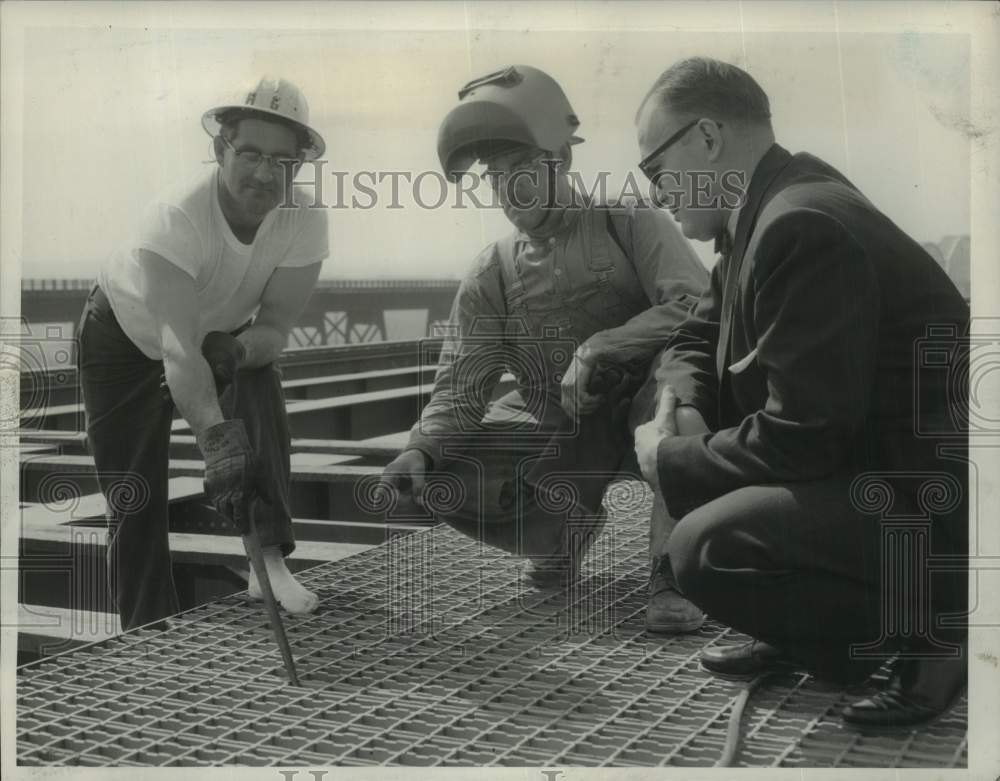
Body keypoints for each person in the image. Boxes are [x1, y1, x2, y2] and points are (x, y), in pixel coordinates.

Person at [632, 57, 968, 725]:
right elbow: (695, 340)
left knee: (706, 547)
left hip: (934, 510)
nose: (656, 194)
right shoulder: (764, 212)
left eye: (655, 169)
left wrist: (667, 458)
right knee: (678, 447)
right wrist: (683, 407)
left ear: (707, 138)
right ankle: (827, 636)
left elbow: (803, 439)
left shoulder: (800, 223)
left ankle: (944, 632)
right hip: (880, 476)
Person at [381, 65, 710, 634]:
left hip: (646, 418)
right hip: (561, 430)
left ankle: (672, 571)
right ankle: (563, 533)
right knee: (443, 471)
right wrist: (421, 450)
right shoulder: (492, 271)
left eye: (521, 169)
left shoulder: (628, 221)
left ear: (561, 160)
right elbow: (461, 386)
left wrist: (602, 347)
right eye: (496, 176)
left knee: (678, 404)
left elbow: (696, 306)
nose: (509, 189)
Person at [78, 77, 330, 630]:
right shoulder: (177, 215)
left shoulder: (305, 220)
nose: (266, 174)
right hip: (125, 335)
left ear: (299, 167)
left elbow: (275, 328)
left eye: (283, 161)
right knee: (134, 492)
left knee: (258, 379)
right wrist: (217, 444)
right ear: (220, 150)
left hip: (214, 333)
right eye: (250, 154)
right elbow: (175, 349)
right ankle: (146, 631)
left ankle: (268, 561)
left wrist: (234, 351)